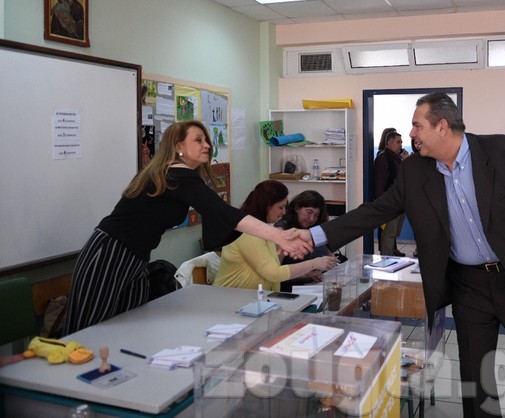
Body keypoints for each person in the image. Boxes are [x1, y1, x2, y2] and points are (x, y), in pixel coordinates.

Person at [301, 92, 505, 418]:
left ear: (442, 126)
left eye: (417, 125)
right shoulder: (415, 171)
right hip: (469, 286)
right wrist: (313, 236)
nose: (411, 133)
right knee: (477, 379)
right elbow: (375, 211)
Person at [63, 120, 311, 335]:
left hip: (134, 257)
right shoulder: (174, 174)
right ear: (178, 146)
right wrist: (278, 235)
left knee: (125, 324)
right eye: (198, 140)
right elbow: (223, 212)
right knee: (88, 330)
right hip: (110, 252)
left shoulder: (179, 177)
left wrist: (277, 235)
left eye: (207, 140)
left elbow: (217, 218)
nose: (207, 145)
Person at [213, 181, 338, 291]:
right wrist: (314, 263)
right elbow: (274, 274)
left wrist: (305, 274)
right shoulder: (248, 233)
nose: (284, 212)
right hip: (233, 299)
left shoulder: (264, 229)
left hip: (254, 298)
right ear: (266, 205)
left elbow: (274, 269)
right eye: (280, 207)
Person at [275, 190, 335, 291]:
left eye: (316, 215)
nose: (311, 219)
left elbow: (329, 254)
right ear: (297, 208)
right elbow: (275, 273)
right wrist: (305, 274)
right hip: (292, 290)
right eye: (309, 212)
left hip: (318, 285)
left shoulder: (315, 229)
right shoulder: (283, 231)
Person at [373, 129, 408, 256]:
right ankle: (386, 259)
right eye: (398, 142)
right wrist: (383, 205)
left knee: (393, 233)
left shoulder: (397, 158)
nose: (401, 145)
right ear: (389, 143)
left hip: (398, 202)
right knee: (388, 233)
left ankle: (390, 256)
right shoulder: (383, 158)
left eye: (401, 142)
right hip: (389, 204)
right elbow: (379, 184)